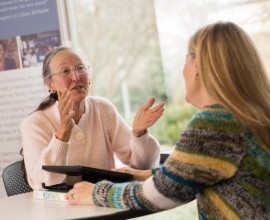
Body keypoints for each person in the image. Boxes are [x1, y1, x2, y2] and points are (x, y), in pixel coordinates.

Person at [65, 22, 270, 220]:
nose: (182, 70)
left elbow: (160, 194)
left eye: (185, 60)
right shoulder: (252, 116)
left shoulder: (217, 123)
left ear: (197, 66)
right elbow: (199, 169)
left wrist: (96, 192)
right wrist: (143, 174)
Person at [20, 46, 165, 189]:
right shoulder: (33, 123)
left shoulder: (102, 109)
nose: (76, 77)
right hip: (59, 209)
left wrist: (139, 134)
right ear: (50, 84)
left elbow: (144, 167)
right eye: (65, 71)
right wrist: (63, 132)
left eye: (80, 68)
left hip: (103, 200)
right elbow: (43, 182)